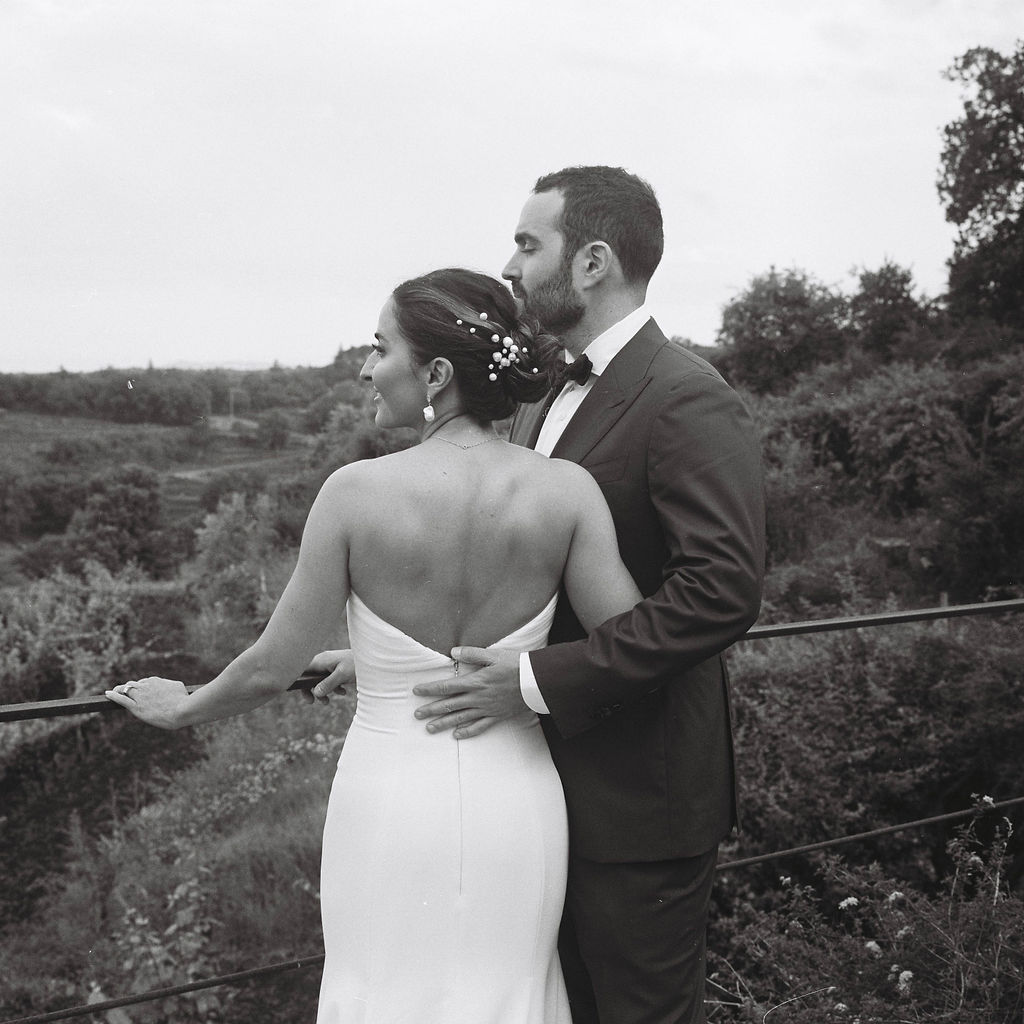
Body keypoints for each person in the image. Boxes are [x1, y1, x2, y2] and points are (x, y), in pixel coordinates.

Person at [105, 267, 642, 1024]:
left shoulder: (355, 493)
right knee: (506, 995)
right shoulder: (567, 492)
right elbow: (631, 649)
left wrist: (181, 708)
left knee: (384, 994)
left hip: (390, 802)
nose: (364, 368)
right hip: (516, 802)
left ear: (438, 374)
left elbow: (270, 669)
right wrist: (433, 663)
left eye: (378, 347)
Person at [312, 167, 766, 1024]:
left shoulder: (688, 399)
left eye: (529, 243)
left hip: (641, 797)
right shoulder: (544, 395)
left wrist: (530, 684)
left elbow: (720, 595)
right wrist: (394, 657)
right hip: (536, 796)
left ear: (591, 262)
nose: (512, 267)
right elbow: (534, 568)